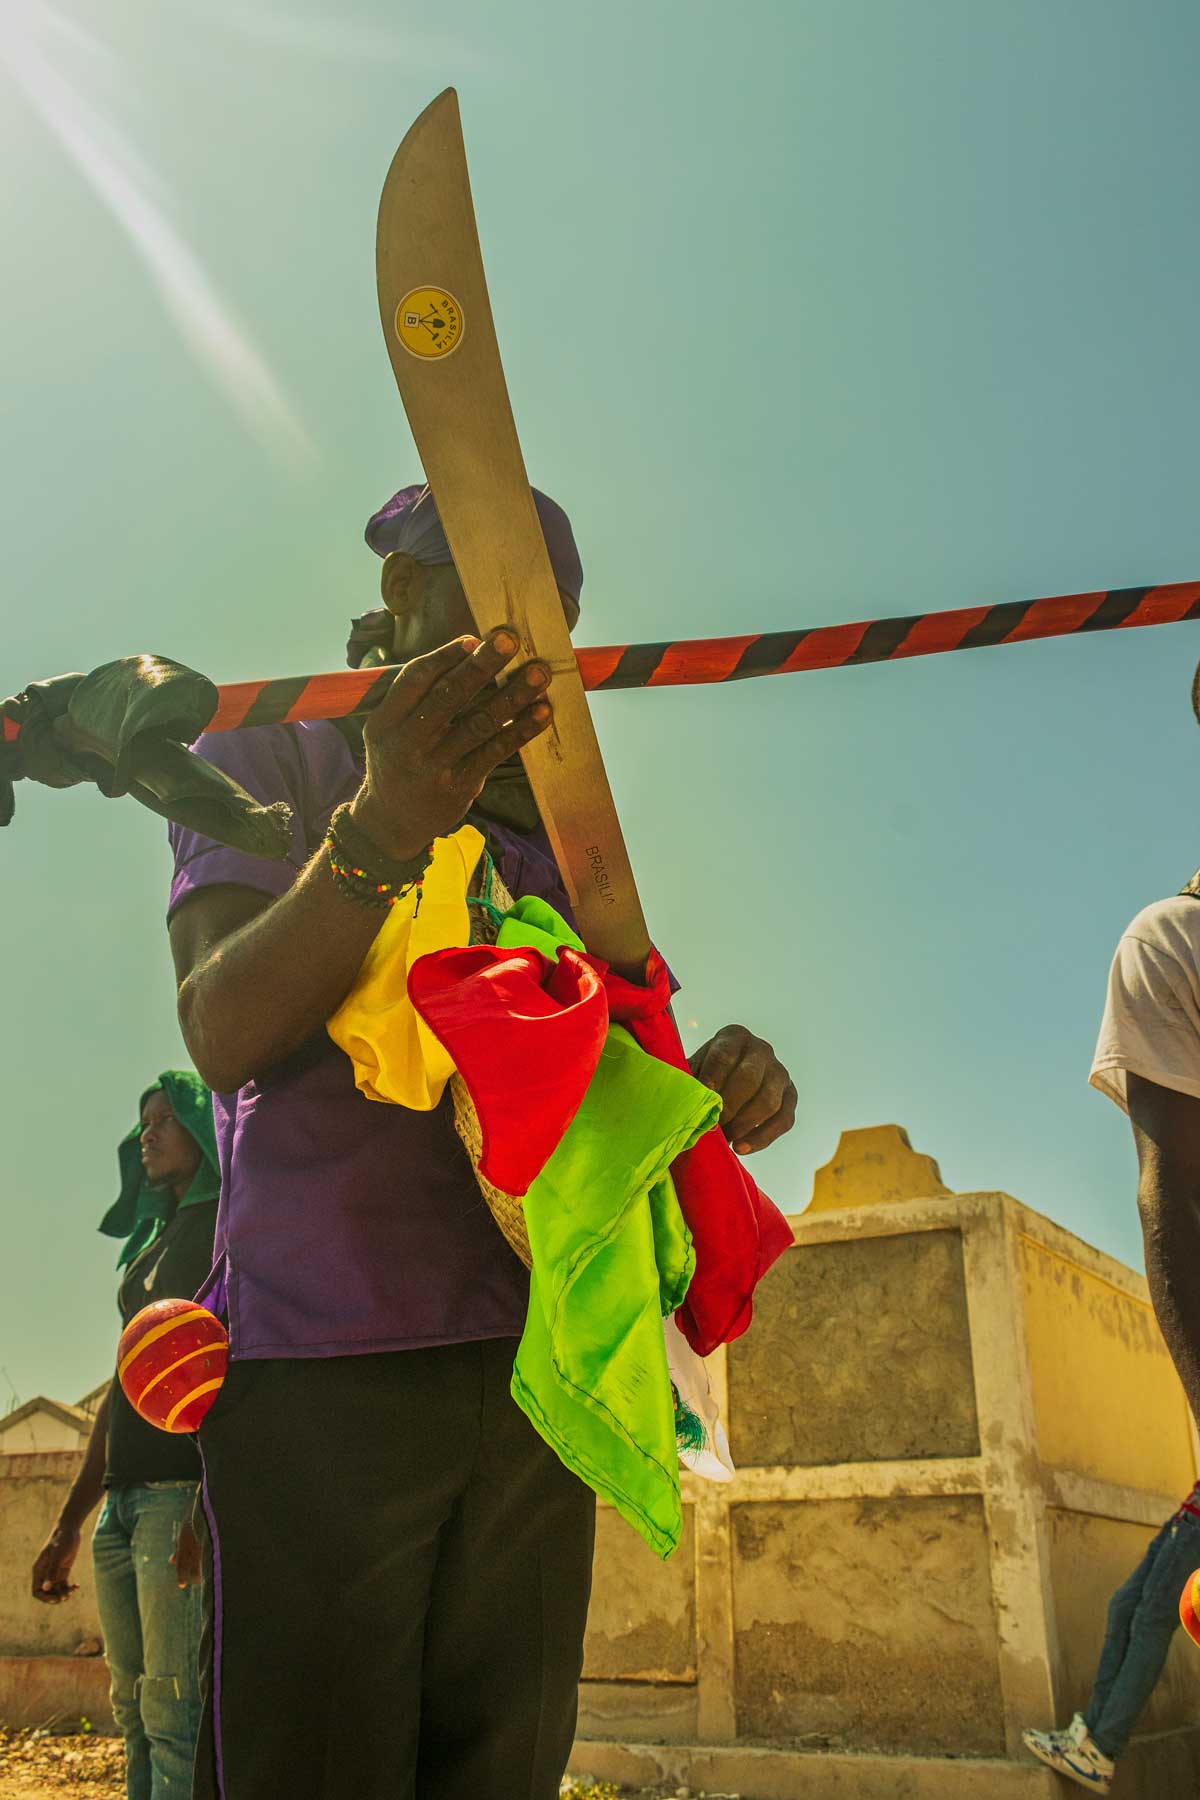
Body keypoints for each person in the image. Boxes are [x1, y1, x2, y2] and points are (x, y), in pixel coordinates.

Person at [167, 483, 797, 1800]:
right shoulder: (264, 750)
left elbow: (602, 1076)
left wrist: (718, 1089)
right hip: (323, 1369)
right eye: (500, 604)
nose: (535, 649)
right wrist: (385, 823)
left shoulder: (554, 833)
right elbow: (221, 1026)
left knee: (499, 1772)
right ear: (404, 596)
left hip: (535, 1383)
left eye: (556, 622)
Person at [32, 1071, 219, 1800]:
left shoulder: (221, 1234)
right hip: (120, 1508)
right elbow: (122, 1392)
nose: (147, 1133)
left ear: (201, 1133)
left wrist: (204, 1506)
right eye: (142, 1122)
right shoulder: (152, 1246)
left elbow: (239, 1379)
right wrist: (69, 1523)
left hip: (177, 1497)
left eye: (164, 1120)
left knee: (172, 1709)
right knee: (132, 1710)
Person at [1022, 1482, 1200, 1792]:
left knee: (1151, 1623)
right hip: (1187, 1517)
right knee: (1122, 1608)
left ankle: (1103, 1748)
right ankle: (1087, 1737)